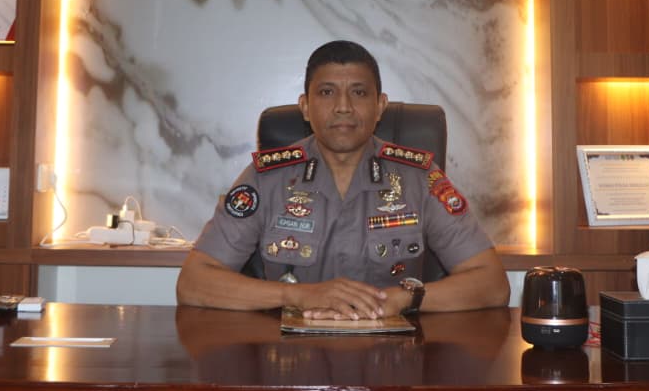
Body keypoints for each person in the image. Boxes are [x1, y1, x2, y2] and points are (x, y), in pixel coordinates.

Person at [176, 40, 510, 320]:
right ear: (305, 107)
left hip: (392, 361)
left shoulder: (418, 177)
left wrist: (405, 299)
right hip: (291, 361)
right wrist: (297, 295)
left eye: (359, 92)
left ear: (380, 106)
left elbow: (492, 283)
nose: (343, 107)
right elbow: (193, 283)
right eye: (327, 92)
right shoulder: (267, 178)